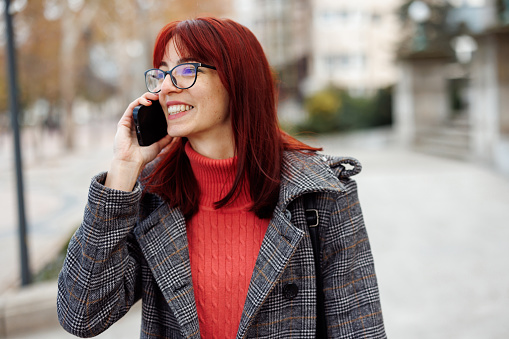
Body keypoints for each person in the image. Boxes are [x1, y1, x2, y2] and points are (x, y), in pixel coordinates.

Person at [57, 17, 386, 339]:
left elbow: (359, 328)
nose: (166, 87)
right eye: (162, 72)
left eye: (186, 70)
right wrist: (124, 167)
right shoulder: (152, 196)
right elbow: (81, 315)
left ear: (235, 79)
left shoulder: (321, 193)